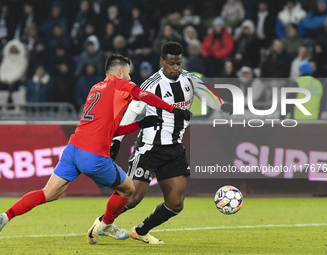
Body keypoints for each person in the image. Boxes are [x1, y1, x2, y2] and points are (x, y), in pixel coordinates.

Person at [0, 54, 191, 239]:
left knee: (48, 193)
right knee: (128, 188)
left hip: (73, 149)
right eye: (128, 73)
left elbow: (110, 129)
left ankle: (5, 216)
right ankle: (106, 225)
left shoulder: (96, 88)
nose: (130, 77)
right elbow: (145, 96)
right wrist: (173, 110)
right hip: (92, 155)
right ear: (119, 72)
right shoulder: (121, 84)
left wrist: (140, 124)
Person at [87, 42, 232, 245]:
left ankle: (141, 230)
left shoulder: (190, 80)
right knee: (133, 197)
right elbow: (131, 112)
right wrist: (116, 140)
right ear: (162, 61)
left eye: (179, 63)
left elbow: (208, 95)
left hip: (174, 149)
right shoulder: (151, 85)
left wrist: (224, 106)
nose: (176, 67)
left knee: (175, 203)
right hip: (149, 148)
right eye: (171, 63)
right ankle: (102, 222)